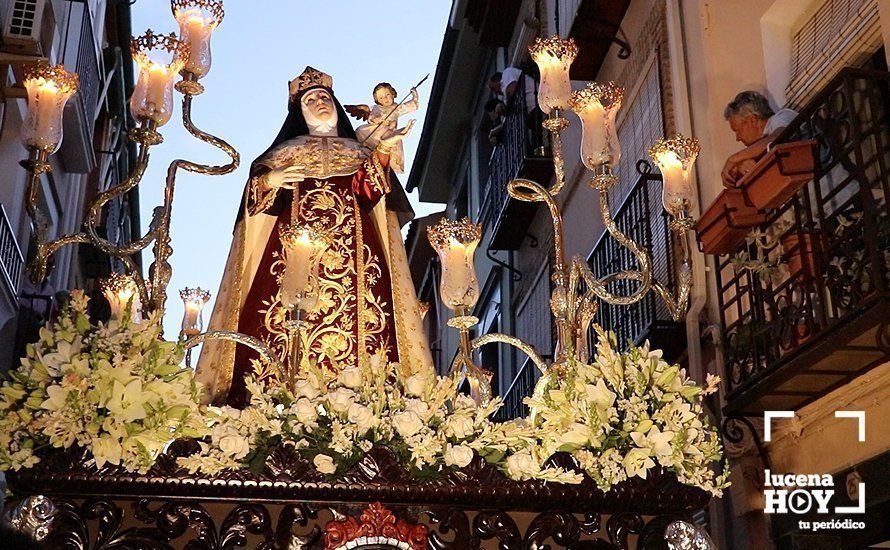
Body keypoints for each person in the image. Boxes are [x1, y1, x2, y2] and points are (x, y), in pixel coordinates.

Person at [196, 67, 434, 407]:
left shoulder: (357, 152)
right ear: (300, 111)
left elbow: (370, 192)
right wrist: (270, 180)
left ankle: (366, 401)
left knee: (368, 325)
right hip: (290, 259)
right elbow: (257, 205)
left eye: (324, 97)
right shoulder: (282, 153)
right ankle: (273, 401)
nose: (320, 102)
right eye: (311, 99)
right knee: (276, 322)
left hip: (354, 259)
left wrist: (382, 149)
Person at [722, 91, 798, 187]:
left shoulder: (781, 117)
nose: (738, 138)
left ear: (752, 120)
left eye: (737, 131)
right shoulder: (758, 148)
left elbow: (779, 137)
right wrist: (739, 166)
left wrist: (733, 159)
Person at [352, 82, 420, 174]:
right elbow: (372, 118)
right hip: (378, 130)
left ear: (393, 94)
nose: (385, 99)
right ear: (377, 100)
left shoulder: (396, 108)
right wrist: (379, 120)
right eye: (381, 98)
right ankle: (367, 146)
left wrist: (414, 95)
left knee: (391, 140)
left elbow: (411, 106)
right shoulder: (377, 108)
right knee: (360, 130)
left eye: (387, 95)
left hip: (389, 132)